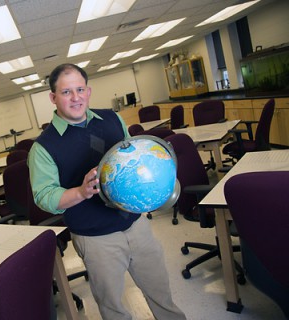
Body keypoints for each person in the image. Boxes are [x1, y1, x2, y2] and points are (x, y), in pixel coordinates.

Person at [28, 63, 186, 320]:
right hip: (96, 239)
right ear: (52, 97)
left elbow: (132, 153)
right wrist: (81, 191)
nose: (76, 97)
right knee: (113, 308)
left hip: (135, 225)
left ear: (88, 91)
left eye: (80, 89)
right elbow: (44, 197)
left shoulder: (112, 118)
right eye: (66, 92)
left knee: (161, 294)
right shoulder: (43, 147)